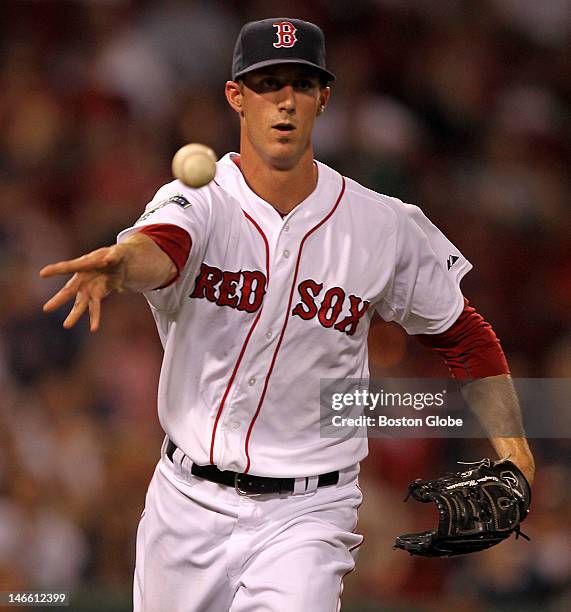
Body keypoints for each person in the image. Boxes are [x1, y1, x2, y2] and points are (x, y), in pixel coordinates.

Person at [41, 18, 535, 612]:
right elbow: (163, 248)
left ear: (323, 98)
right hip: (186, 504)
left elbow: (466, 337)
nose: (284, 101)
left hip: (307, 515)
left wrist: (517, 451)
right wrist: (122, 264)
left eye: (300, 85)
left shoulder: (381, 225)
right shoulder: (200, 197)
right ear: (236, 97)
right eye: (267, 83)